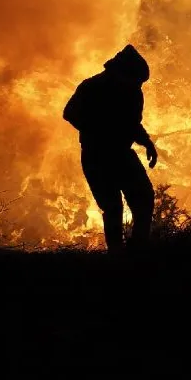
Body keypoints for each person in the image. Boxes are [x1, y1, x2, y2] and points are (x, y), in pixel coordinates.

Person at [63, 44, 158, 252]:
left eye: (140, 83)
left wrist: (147, 142)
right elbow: (69, 112)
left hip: (122, 155)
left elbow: (132, 123)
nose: (138, 86)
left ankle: (138, 249)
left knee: (144, 197)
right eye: (136, 80)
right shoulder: (91, 87)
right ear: (120, 73)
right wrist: (98, 130)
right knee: (113, 207)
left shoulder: (133, 93)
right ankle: (117, 255)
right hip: (96, 156)